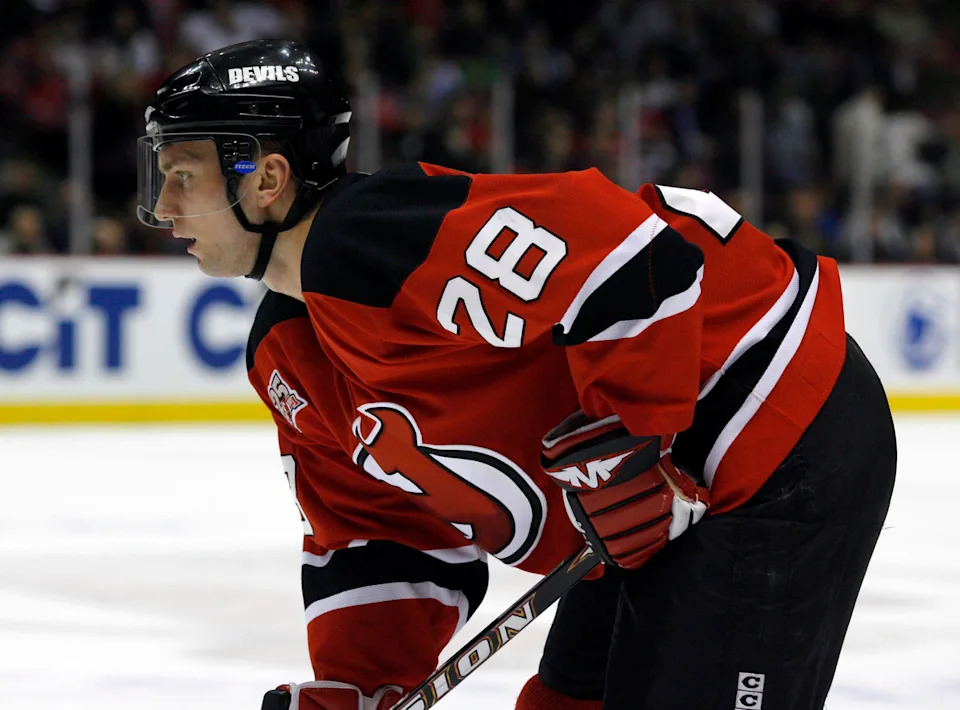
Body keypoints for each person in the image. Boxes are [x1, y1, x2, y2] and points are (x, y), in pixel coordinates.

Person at [137, 40, 897, 710]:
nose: (163, 207)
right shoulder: (286, 351)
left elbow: (635, 256)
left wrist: (632, 440)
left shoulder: (371, 237)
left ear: (265, 178)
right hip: (654, 508)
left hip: (770, 433)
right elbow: (380, 531)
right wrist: (364, 686)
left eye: (181, 175)